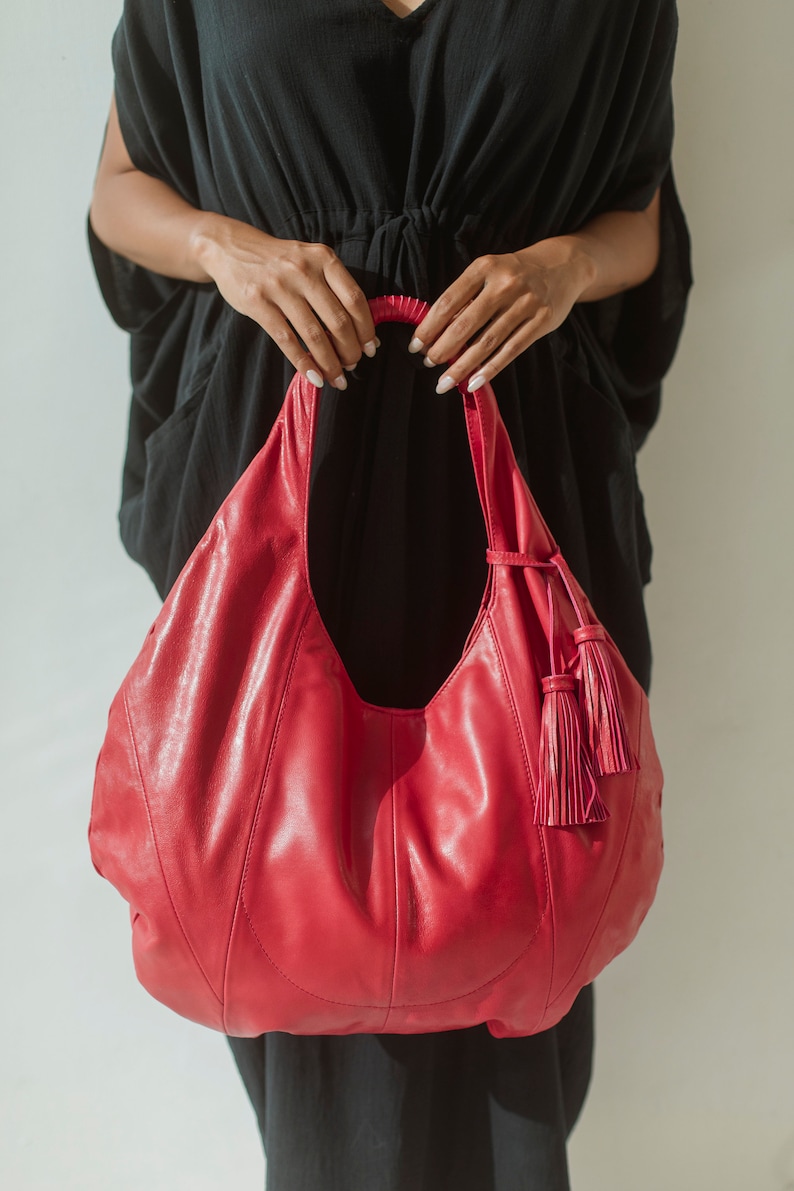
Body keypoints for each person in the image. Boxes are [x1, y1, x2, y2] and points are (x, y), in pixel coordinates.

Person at [88, 0, 691, 1186]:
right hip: (276, 501)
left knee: (530, 906)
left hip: (527, 502)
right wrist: (226, 246)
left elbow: (639, 216)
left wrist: (562, 264)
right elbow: (123, 186)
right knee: (274, 908)